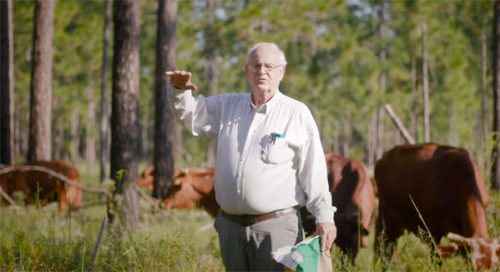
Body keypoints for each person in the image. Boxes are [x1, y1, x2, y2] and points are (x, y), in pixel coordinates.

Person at [166, 42, 336, 271]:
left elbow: (313, 171)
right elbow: (192, 115)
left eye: (269, 66)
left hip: (277, 229)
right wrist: (179, 91)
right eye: (256, 65)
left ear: (281, 72)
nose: (262, 71)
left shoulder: (296, 113)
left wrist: (324, 217)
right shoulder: (227, 105)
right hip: (231, 227)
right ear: (247, 71)